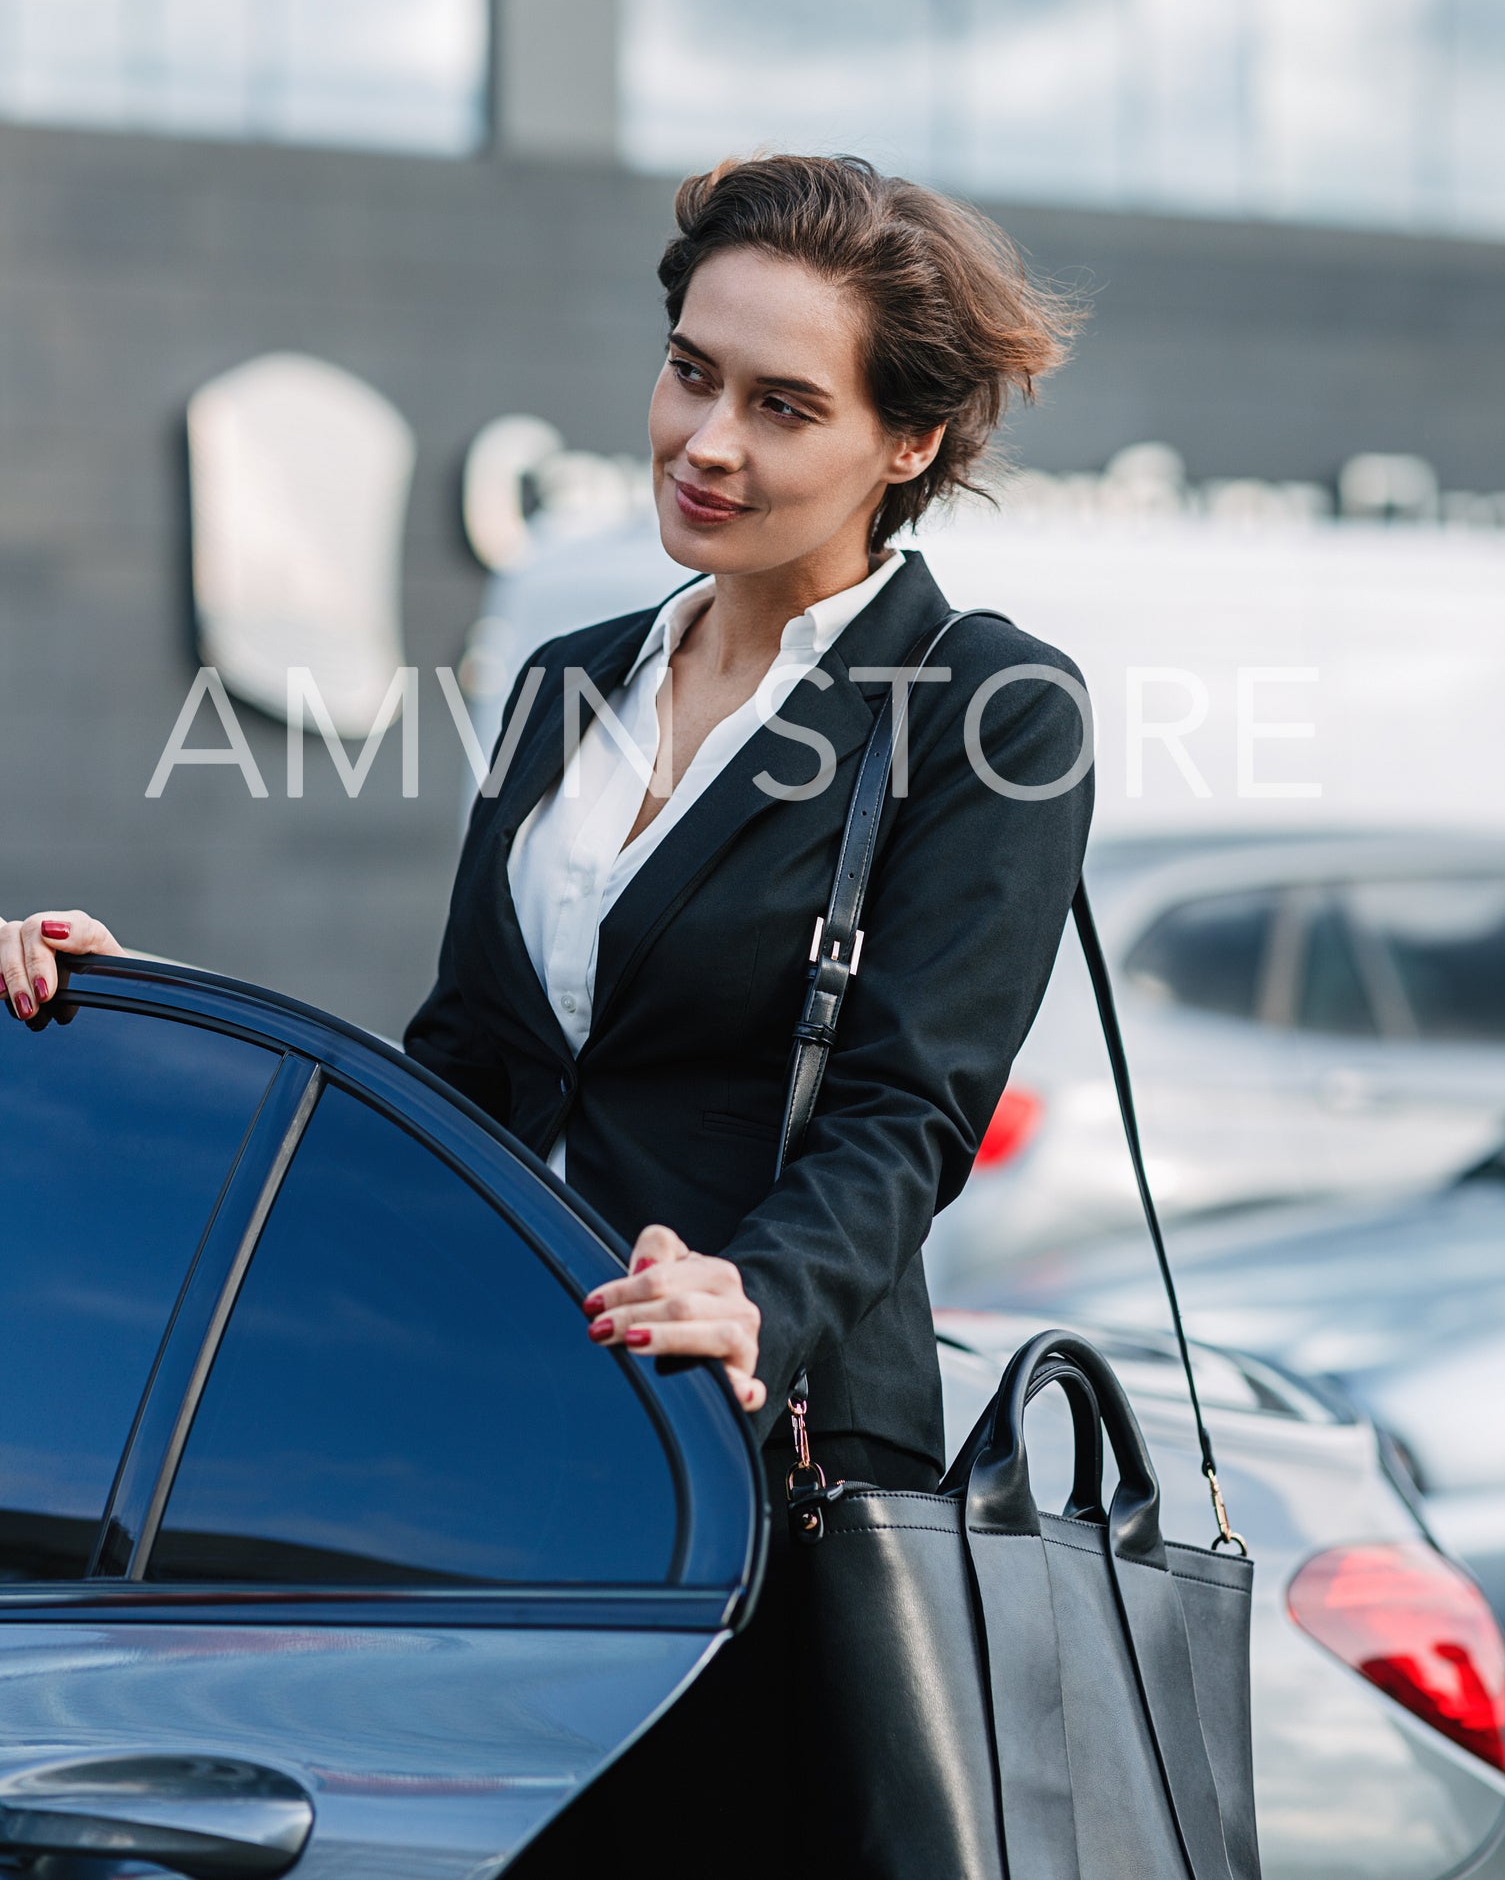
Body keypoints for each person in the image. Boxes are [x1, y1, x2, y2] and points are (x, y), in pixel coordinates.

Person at [1, 154, 1092, 1873]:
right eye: (690, 370)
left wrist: (752, 1295)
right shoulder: (567, 680)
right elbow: (466, 1068)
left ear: (909, 445)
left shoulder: (985, 704)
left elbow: (912, 1111)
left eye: (782, 404)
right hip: (500, 1440)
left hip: (758, 1462)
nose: (706, 439)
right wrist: (154, 1023)